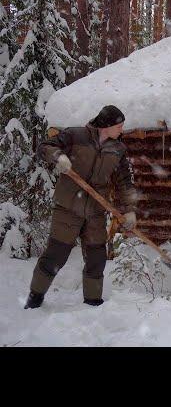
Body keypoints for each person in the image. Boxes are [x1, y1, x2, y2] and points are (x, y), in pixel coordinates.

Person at [24, 105, 138, 309]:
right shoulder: (75, 135)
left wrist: (129, 210)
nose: (122, 129)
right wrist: (58, 156)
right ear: (107, 125)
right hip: (68, 207)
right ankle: (35, 296)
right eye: (119, 125)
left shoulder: (118, 148)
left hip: (95, 211)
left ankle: (92, 302)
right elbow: (44, 146)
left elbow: (124, 181)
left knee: (97, 257)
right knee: (56, 255)